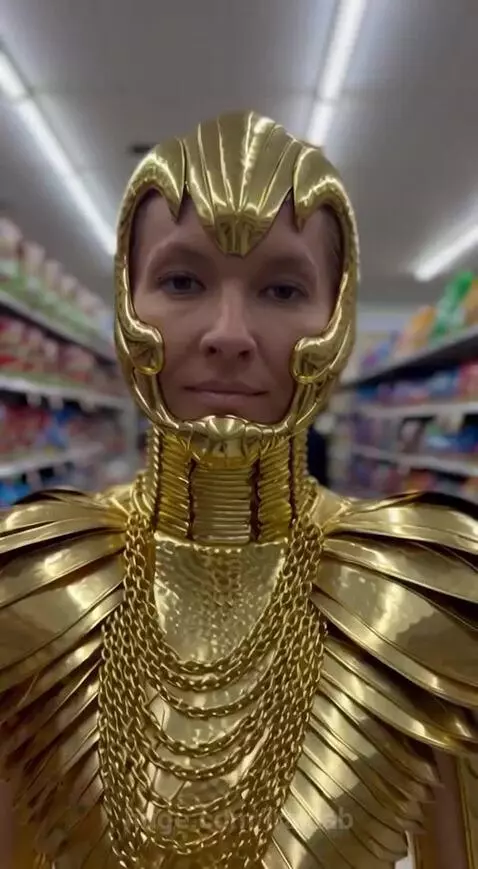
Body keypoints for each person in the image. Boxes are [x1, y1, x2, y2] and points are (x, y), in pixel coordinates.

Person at [0, 110, 477, 869]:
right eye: (182, 280)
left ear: (337, 314)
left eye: (282, 289)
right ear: (127, 301)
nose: (228, 332)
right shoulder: (30, 583)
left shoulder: (426, 591)